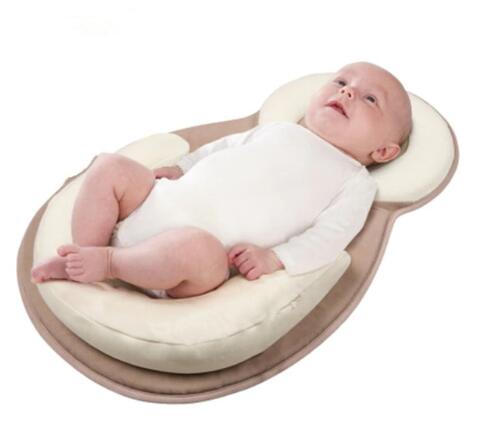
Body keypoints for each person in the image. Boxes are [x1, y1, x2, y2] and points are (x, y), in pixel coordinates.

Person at [30, 61, 412, 299]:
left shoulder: (354, 181)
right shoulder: (279, 129)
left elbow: (330, 237)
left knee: (197, 249)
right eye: (341, 80)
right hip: (157, 202)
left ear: (383, 151)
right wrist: (183, 166)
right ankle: (83, 252)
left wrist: (276, 258)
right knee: (109, 166)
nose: (347, 90)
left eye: (370, 99)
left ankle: (109, 263)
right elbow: (222, 148)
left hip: (188, 260)